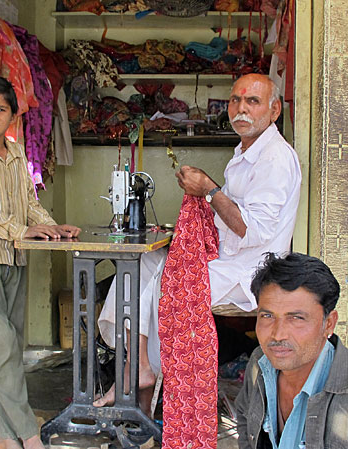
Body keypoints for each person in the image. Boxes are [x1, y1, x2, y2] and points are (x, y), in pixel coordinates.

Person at [96, 73, 301, 409]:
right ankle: (138, 368)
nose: (241, 109)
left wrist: (208, 188)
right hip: (226, 258)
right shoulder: (246, 153)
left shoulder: (274, 158)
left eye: (253, 101)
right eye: (235, 100)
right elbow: (230, 216)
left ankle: (143, 386)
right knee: (139, 264)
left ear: (275, 109)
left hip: (250, 271)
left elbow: (252, 230)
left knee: (168, 283)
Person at [0, 76, 80, 449]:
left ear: (12, 114)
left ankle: (7, 438)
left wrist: (52, 228)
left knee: (13, 346)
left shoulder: (16, 152)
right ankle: (28, 432)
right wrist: (19, 230)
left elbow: (28, 203)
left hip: (13, 257)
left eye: (1, 109)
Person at [235, 253, 348, 449]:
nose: (278, 335)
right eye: (268, 315)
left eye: (296, 318)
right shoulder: (260, 364)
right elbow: (245, 419)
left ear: (328, 323)